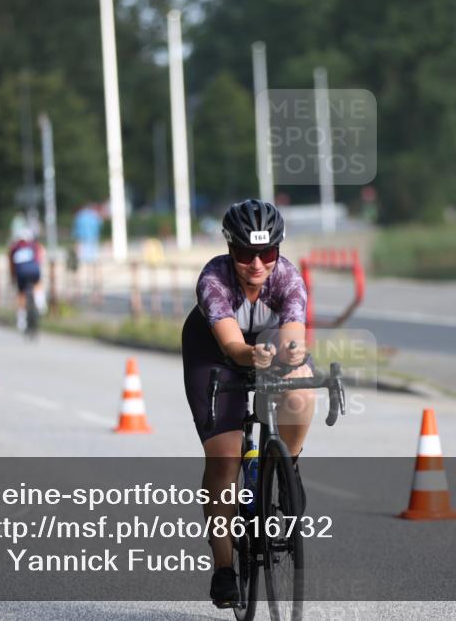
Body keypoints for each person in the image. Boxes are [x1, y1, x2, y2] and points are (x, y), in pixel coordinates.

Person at [181, 198, 314, 607]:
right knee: (224, 462)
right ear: (229, 249)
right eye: (245, 253)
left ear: (278, 250)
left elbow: (293, 338)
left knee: (302, 384)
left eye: (267, 253)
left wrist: (291, 357)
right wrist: (250, 357)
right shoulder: (214, 280)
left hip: (268, 345)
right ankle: (223, 569)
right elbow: (233, 345)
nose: (257, 264)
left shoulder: (288, 279)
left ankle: (286, 466)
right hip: (216, 353)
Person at [8, 227, 44, 332]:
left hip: (21, 273)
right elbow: (38, 260)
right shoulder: (34, 246)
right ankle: (40, 304)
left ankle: (21, 319)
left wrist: (13, 277)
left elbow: (12, 265)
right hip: (34, 271)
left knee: (21, 294)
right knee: (38, 283)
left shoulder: (14, 248)